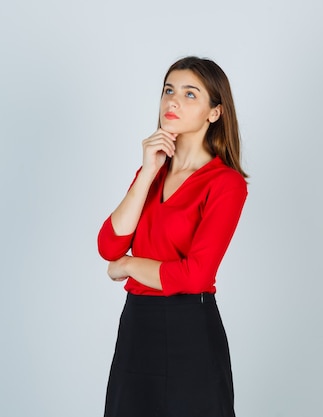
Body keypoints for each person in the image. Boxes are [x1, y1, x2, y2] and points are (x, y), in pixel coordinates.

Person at [97, 56, 248, 417]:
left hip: (190, 330)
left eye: (190, 94)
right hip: (136, 326)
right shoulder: (151, 172)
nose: (173, 102)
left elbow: (195, 274)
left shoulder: (224, 183)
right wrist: (149, 171)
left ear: (215, 112)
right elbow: (109, 246)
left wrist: (131, 265)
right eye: (168, 90)